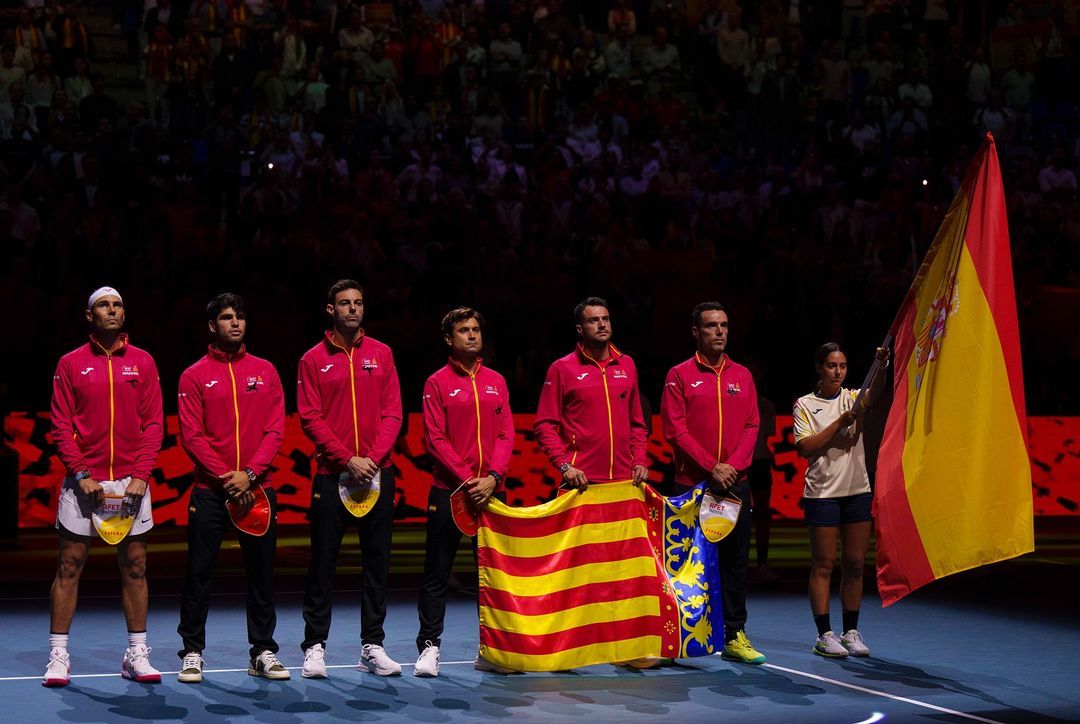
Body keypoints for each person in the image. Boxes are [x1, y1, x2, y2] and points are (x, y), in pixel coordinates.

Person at [45, 286, 164, 687]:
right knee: (69, 567)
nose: (112, 311)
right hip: (84, 484)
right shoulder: (70, 363)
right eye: (103, 306)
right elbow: (60, 424)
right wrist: (81, 473)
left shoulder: (144, 362)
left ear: (124, 313)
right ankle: (59, 656)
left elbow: (153, 424)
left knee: (135, 567)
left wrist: (141, 475)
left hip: (131, 484)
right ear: (89, 315)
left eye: (117, 305)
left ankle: (136, 654)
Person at [176, 293, 288, 683]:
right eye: (226, 317)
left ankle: (262, 651)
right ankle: (192, 651)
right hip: (210, 491)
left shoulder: (266, 371)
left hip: (258, 489)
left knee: (261, 574)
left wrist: (251, 474)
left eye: (240, 316)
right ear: (212, 326)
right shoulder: (193, 375)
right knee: (199, 573)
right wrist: (229, 476)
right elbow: (191, 434)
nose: (235, 323)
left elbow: (276, 428)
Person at [296, 279, 403, 678]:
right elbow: (310, 416)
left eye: (358, 302)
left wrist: (371, 460)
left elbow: (394, 412)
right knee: (322, 565)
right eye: (345, 303)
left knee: (377, 564)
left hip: (377, 474)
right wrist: (346, 459)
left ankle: (372, 646)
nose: (353, 309)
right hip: (331, 476)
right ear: (331, 310)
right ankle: (315, 647)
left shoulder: (383, 354)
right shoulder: (312, 359)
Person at [660, 302, 764, 664]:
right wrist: (710, 467)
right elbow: (675, 429)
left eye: (723, 325)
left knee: (735, 565)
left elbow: (752, 425)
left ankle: (735, 635)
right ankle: (678, 638)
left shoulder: (743, 376)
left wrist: (731, 467)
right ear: (695, 332)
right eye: (710, 326)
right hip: (693, 485)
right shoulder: (679, 375)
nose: (719, 331)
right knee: (687, 564)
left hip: (735, 486)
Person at [414, 307, 514, 677]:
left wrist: (493, 475)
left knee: (493, 573)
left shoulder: (497, 381)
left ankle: (494, 648)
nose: (472, 335)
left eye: (476, 329)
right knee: (437, 572)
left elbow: (506, 433)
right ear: (448, 339)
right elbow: (434, 438)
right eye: (463, 330)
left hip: (491, 491)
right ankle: (429, 647)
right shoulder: (436, 382)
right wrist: (469, 480)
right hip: (450, 491)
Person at [794, 342, 889, 658]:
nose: (838, 371)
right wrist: (838, 423)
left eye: (843, 366)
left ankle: (850, 632)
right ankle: (824, 635)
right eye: (832, 366)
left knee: (855, 564)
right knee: (823, 565)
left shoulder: (853, 398)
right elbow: (806, 448)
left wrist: (882, 366)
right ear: (820, 368)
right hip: (823, 495)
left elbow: (873, 394)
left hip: (857, 491)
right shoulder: (805, 405)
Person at [534, 296, 648, 493]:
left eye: (606, 319)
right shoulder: (561, 368)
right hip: (580, 481)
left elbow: (637, 424)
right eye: (593, 320)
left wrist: (639, 460)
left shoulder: (627, 364)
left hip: (625, 481)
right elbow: (544, 425)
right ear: (580, 329)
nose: (602, 325)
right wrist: (564, 466)